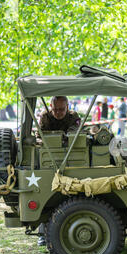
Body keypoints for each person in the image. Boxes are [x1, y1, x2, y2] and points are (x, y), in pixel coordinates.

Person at [37, 95, 81, 246]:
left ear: (67, 107)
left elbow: (74, 133)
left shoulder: (73, 116)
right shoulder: (45, 117)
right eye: (55, 109)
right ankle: (42, 233)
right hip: (48, 157)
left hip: (73, 156)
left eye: (61, 109)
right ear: (50, 107)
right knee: (45, 195)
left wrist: (60, 137)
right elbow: (40, 135)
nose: (58, 113)